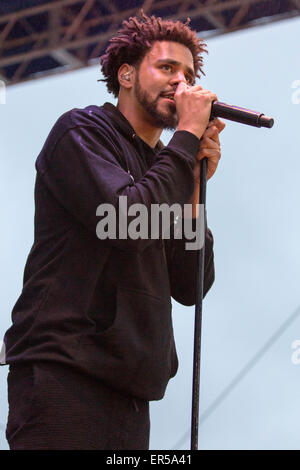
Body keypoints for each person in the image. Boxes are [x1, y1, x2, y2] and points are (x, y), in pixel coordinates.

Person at [3, 11, 225, 450]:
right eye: (166, 69)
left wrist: (194, 187)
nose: (181, 84)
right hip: (64, 376)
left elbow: (190, 284)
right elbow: (125, 221)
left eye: (189, 74)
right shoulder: (82, 130)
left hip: (132, 394)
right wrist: (184, 140)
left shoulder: (169, 167)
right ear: (126, 74)